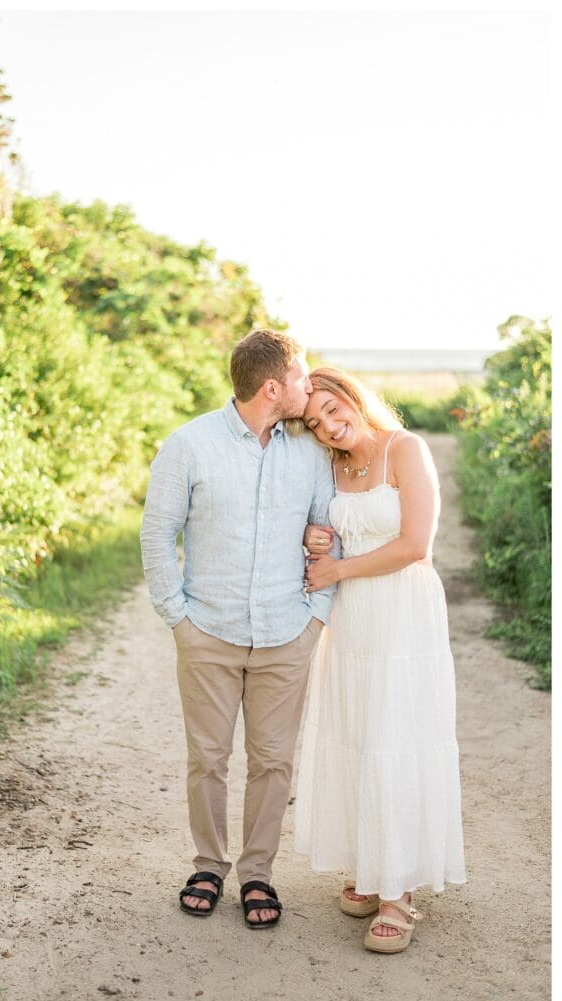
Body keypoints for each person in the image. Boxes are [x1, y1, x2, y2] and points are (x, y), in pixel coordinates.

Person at [140, 329, 338, 928]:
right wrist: (178, 617)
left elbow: (330, 530)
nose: (311, 385)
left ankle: (258, 873)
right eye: (303, 377)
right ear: (273, 386)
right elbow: (157, 533)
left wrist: (317, 616)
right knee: (207, 757)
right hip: (209, 630)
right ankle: (208, 863)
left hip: (287, 631)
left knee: (274, 761)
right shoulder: (189, 445)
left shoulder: (309, 452)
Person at [294, 366, 466, 953]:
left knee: (397, 737)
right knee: (359, 734)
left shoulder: (405, 449)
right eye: (315, 424)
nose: (329, 427)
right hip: (354, 620)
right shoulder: (334, 466)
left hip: (402, 610)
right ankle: (371, 867)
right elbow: (330, 531)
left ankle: (400, 895)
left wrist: (337, 567)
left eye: (332, 410)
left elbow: (416, 543)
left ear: (351, 396)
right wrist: (320, 542)